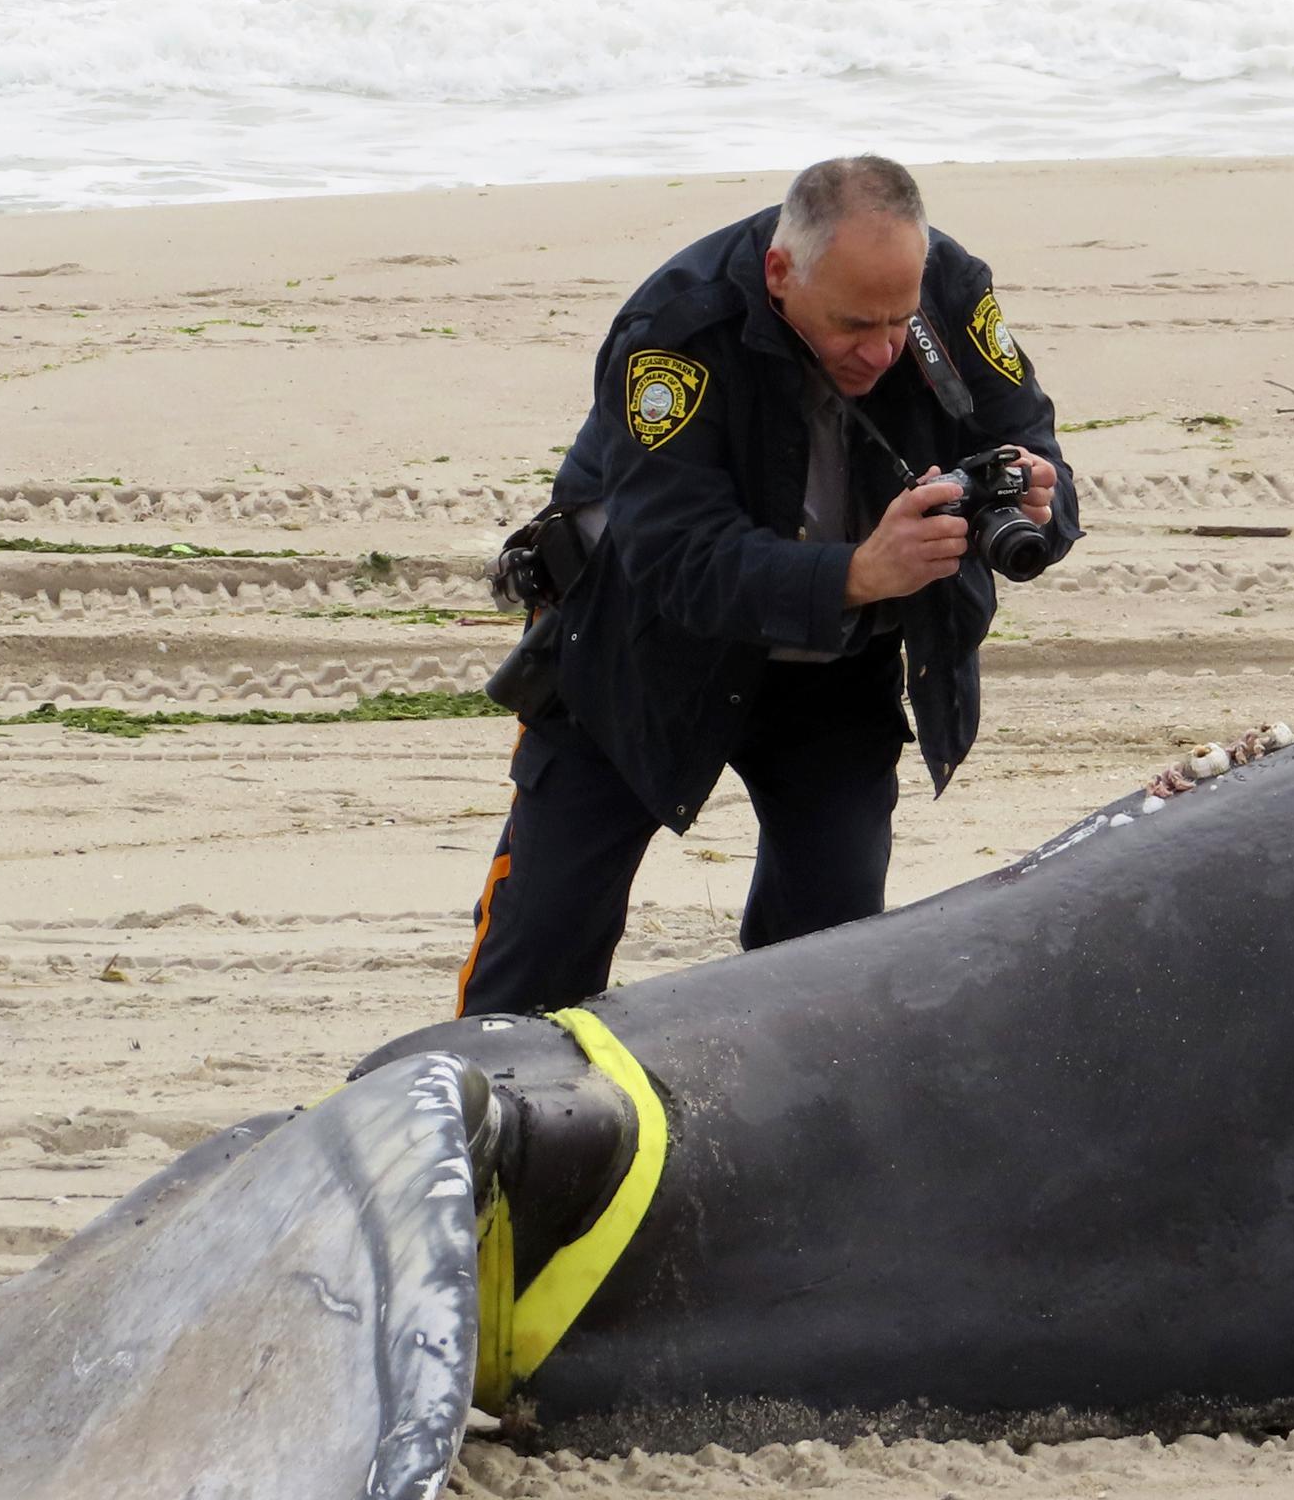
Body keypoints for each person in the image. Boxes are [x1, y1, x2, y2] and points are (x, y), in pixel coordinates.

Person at [456, 155, 1081, 1016]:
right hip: (637, 650)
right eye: (855, 324)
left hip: (837, 660)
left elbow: (1036, 447)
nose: (882, 349)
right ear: (781, 275)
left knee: (827, 950)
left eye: (900, 321)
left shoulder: (950, 290)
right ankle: (475, 1115)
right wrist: (860, 570)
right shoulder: (675, 330)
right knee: (542, 948)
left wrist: (1036, 502)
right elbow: (677, 558)